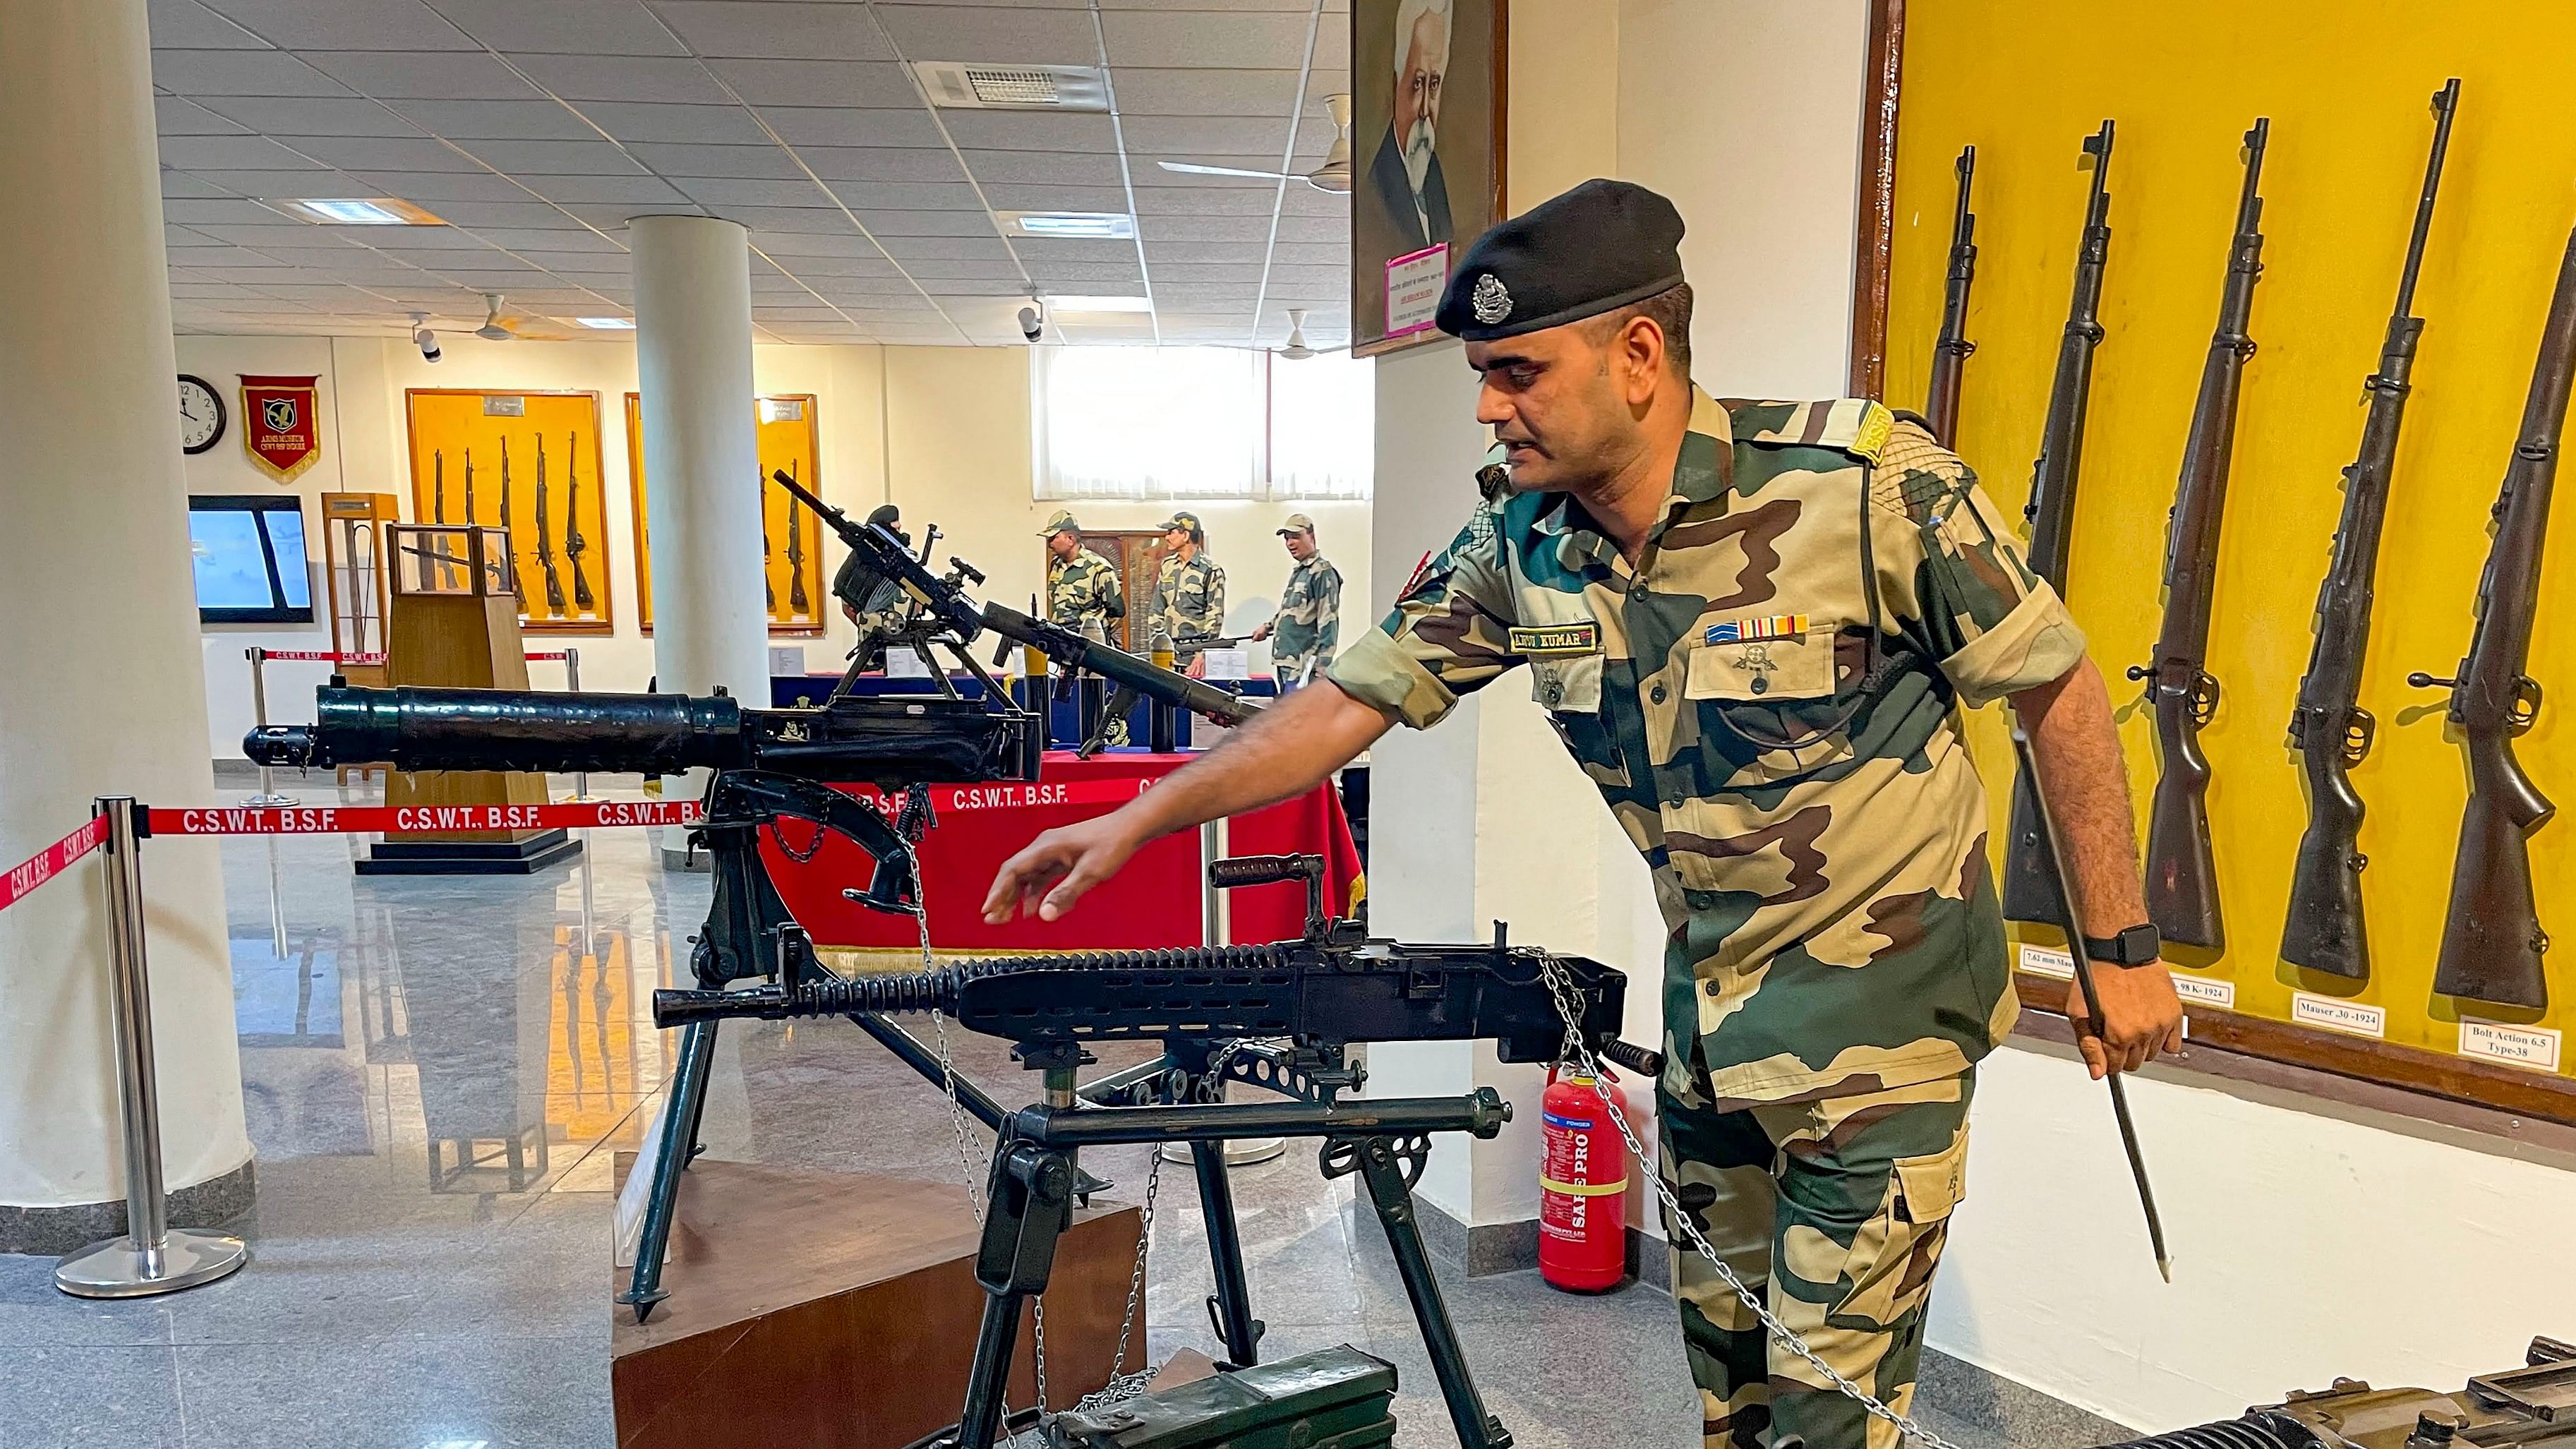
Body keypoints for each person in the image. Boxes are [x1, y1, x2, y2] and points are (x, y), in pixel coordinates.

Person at [985, 179, 2184, 1448]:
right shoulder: (1523, 547)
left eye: (1518, 370)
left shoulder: (1865, 488)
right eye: (1482, 374)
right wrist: (1143, 814)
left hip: (1877, 1047)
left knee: (1827, 1425)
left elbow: (2055, 685)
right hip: (1711, 1035)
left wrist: (2119, 949)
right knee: (1733, 1399)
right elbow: (1343, 704)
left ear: (1640, 356)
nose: (1491, 405)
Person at [1369, 0, 1454, 253]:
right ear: (1396, 84)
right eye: (1417, 84)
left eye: (1434, 84)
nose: (1425, 111)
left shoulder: (1435, 180)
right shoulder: (1374, 190)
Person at [1042, 508, 1128, 747]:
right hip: (1062, 648)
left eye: (1053, 537)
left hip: (1089, 650)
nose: (1050, 543)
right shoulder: (1056, 568)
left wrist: (1098, 637)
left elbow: (1117, 610)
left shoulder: (1099, 568)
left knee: (1093, 702)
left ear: (1070, 538)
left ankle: (1096, 743)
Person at [1248, 512, 1342, 689]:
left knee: (1301, 716)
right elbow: (1290, 610)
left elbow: (1328, 622)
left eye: (1296, 537)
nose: (1290, 543)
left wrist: (1322, 667)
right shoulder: (1301, 571)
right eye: (1287, 538)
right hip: (1287, 664)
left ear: (1312, 537)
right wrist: (1267, 627)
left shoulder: (1322, 572)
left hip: (1304, 667)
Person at [833, 503, 910, 676]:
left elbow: (848, 608)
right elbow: (848, 606)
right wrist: (870, 622)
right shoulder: (860, 562)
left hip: (902, 653)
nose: (898, 534)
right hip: (875, 653)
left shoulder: (862, 562)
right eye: (894, 529)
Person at [1150, 510, 1227, 677]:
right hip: (1166, 656)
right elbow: (1157, 609)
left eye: (1171, 532)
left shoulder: (1211, 570)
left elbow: (1215, 617)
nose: (1167, 537)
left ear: (1185, 535)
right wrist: (1156, 646)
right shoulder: (1168, 566)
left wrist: (1202, 654)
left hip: (1194, 660)